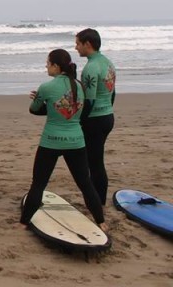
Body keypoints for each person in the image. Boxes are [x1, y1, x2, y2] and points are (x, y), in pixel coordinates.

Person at [20, 49, 107, 231]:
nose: (46, 66)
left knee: (39, 184)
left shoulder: (46, 87)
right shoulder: (80, 85)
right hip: (76, 141)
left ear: (56, 66)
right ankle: (101, 221)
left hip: (50, 142)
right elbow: (80, 112)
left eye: (48, 63)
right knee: (85, 183)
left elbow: (34, 109)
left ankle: (23, 222)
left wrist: (42, 101)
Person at [75, 28, 116, 205]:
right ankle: (99, 201)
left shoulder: (91, 68)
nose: (76, 47)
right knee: (96, 161)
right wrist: (106, 109)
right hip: (107, 116)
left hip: (95, 120)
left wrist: (80, 122)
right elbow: (113, 93)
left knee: (94, 164)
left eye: (78, 43)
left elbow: (89, 101)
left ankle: (97, 203)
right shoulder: (108, 63)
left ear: (88, 44)